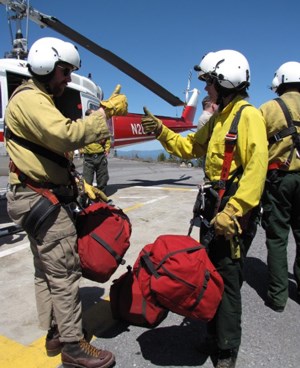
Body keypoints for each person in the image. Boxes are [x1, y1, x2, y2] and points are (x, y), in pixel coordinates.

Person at [4, 36, 127, 368]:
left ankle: (56, 332)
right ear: (47, 67)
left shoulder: (35, 98)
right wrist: (104, 113)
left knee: (46, 270)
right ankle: (73, 346)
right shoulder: (30, 99)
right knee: (64, 272)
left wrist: (82, 183)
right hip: (40, 200)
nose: (68, 79)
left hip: (33, 196)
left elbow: (46, 154)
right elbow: (66, 136)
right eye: (64, 71)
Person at [141, 49, 268, 368]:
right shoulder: (219, 118)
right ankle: (213, 335)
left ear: (226, 82)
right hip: (213, 206)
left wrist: (235, 210)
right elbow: (188, 148)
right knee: (209, 273)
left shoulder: (248, 116)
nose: (207, 89)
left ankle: (226, 349)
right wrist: (159, 130)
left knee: (228, 278)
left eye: (210, 82)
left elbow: (257, 167)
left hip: (232, 210)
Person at [259, 61, 300, 312]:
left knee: (277, 238)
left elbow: (254, 146)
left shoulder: (269, 108)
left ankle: (278, 296)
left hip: (279, 179)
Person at [81, 108, 111, 193]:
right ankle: (86, 199)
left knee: (102, 179)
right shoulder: (84, 126)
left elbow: (107, 137)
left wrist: (107, 148)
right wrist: (81, 150)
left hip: (100, 156)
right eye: (93, 115)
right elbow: (79, 139)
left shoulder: (101, 126)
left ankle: (102, 198)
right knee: (87, 181)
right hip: (88, 158)